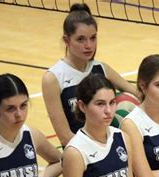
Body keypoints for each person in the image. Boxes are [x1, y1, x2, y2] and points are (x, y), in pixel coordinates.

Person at [42, 3, 140, 147]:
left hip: (110, 147)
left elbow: (138, 94)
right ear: (66, 40)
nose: (89, 45)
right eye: (81, 39)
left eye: (93, 38)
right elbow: (65, 136)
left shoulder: (101, 68)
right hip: (79, 153)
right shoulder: (53, 78)